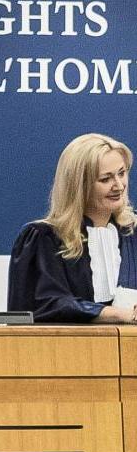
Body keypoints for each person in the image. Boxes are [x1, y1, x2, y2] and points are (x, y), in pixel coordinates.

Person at [9, 133, 137, 325]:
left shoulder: (132, 233)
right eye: (105, 179)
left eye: (121, 173)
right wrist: (117, 314)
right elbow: (45, 305)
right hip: (66, 350)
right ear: (79, 186)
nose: (118, 185)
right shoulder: (44, 238)